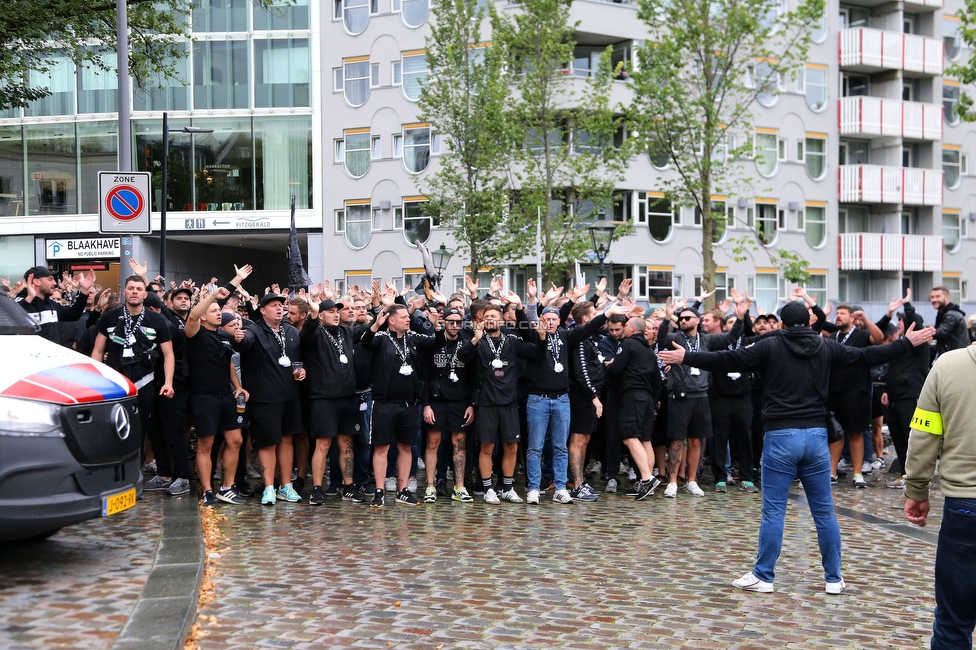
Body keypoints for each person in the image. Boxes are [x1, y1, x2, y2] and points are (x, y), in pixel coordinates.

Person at [658, 300, 934, 594]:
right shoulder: (826, 346)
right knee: (824, 511)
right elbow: (867, 355)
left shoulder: (771, 346)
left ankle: (764, 576)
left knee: (774, 510)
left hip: (781, 435)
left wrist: (686, 356)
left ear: (783, 324)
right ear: (811, 322)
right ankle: (834, 578)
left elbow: (729, 360)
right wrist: (906, 343)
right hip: (816, 437)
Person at [903, 337, 976, 649]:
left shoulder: (947, 365)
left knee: (953, 620)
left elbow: (924, 435)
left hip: (965, 504)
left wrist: (916, 488)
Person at [91, 276, 175, 492]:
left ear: (145, 294)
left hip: (146, 382)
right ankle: (114, 478)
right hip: (115, 383)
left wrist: (168, 382)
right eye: (131, 288)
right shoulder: (110, 317)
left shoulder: (157, 321)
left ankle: (136, 478)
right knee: (114, 430)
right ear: (124, 292)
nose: (135, 292)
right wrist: (95, 382)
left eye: (139, 288)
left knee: (143, 431)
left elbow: (168, 354)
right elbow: (98, 351)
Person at [457, 300, 546, 505]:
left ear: (502, 320)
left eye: (493, 317)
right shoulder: (477, 340)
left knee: (511, 447)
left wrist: (542, 336)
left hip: (509, 401)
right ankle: (488, 488)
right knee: (487, 447)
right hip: (487, 402)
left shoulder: (512, 341)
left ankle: (507, 487)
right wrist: (474, 340)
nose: (489, 320)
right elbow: (461, 357)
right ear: (481, 319)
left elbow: (537, 353)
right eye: (486, 317)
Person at [360, 303, 445, 507]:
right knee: (381, 447)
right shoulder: (381, 338)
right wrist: (374, 325)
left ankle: (403, 489)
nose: (408, 319)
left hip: (409, 404)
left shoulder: (414, 337)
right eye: (403, 317)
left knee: (406, 447)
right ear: (391, 320)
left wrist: (437, 327)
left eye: (408, 316)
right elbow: (365, 343)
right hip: (384, 403)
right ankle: (379, 490)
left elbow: (437, 344)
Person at [234, 292, 306, 506]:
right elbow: (243, 343)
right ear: (263, 310)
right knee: (267, 442)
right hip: (265, 398)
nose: (279, 308)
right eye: (273, 305)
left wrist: (303, 370)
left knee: (287, 440)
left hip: (290, 396)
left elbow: (300, 359)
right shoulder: (255, 330)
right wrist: (238, 338)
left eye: (281, 305)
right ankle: (269, 488)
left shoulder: (291, 332)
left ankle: (286, 486)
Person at [185, 287, 249, 507]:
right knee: (206, 444)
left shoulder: (223, 335)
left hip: (225, 395)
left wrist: (238, 387)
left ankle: (226, 487)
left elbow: (229, 362)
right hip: (204, 396)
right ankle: (207, 490)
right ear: (203, 315)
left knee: (236, 440)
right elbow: (192, 315)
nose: (218, 313)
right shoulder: (195, 332)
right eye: (213, 310)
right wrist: (211, 296)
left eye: (219, 310)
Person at [300, 298, 365, 505]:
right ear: (320, 315)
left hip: (347, 396)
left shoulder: (346, 332)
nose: (336, 314)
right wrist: (312, 314)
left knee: (347, 443)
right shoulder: (315, 332)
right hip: (324, 397)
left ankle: (348, 486)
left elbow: (368, 330)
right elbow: (307, 333)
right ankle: (317, 488)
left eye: (338, 311)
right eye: (330, 312)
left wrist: (379, 310)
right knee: (323, 443)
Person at [420, 307, 476, 503]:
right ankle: (430, 486)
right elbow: (424, 377)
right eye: (450, 322)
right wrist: (426, 404)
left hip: (460, 402)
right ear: (443, 322)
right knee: (433, 442)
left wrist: (472, 404)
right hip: (436, 401)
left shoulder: (468, 344)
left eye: (458, 322)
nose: (454, 326)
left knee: (459, 445)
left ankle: (459, 487)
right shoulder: (434, 344)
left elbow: (474, 378)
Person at [605, 316, 663, 500]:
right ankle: (646, 481)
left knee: (630, 437)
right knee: (645, 439)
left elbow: (616, 369)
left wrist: (609, 365)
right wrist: (653, 400)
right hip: (647, 399)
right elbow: (657, 381)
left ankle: (646, 478)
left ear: (631, 329)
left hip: (631, 396)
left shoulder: (629, 345)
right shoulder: (649, 351)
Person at [827, 305, 883, 488]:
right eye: (837, 314)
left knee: (856, 432)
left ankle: (858, 473)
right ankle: (832, 472)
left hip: (857, 390)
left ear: (851, 318)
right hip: (834, 390)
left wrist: (865, 319)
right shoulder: (832, 337)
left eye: (842, 314)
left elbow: (879, 338)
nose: (838, 316)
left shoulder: (860, 334)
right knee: (835, 433)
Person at [17, 266, 95, 345]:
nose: (54, 283)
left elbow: (74, 314)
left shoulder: (51, 304)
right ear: (37, 282)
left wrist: (84, 290)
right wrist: (30, 297)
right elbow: (11, 318)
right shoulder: (20, 302)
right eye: (50, 279)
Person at [929, 285, 968, 359]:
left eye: (938, 296)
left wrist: (925, 333)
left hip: (955, 357)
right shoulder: (945, 313)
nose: (934, 300)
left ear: (947, 298)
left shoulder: (951, 315)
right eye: (932, 297)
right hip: (954, 355)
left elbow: (940, 333)